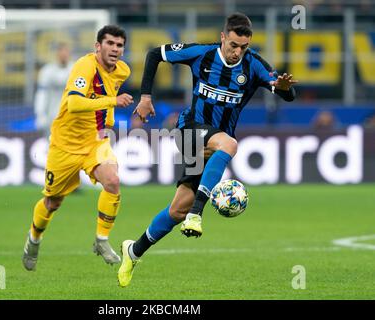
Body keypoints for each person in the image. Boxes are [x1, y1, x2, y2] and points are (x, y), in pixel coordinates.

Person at [117, 13, 298, 287]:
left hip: (214, 144)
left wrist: (284, 90)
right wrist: (145, 97)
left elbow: (285, 91)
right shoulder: (201, 54)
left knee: (177, 210)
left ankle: (133, 250)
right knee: (230, 144)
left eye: (243, 47)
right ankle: (197, 214)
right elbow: (155, 54)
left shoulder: (254, 65)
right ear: (223, 38)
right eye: (233, 45)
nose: (237, 52)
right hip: (189, 129)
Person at [22, 25, 134, 271]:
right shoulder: (85, 66)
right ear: (98, 46)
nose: (115, 49)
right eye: (110, 44)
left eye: (119, 45)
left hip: (95, 141)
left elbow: (106, 93)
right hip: (64, 145)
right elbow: (73, 103)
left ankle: (102, 239)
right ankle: (34, 239)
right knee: (53, 202)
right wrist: (113, 101)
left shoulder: (122, 70)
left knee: (113, 181)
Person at [34, 43, 73, 140]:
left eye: (66, 52)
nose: (64, 54)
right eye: (61, 52)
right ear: (57, 54)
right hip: (52, 117)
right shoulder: (47, 71)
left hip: (72, 117)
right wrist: (40, 114)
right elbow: (42, 94)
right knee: (53, 148)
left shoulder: (75, 69)